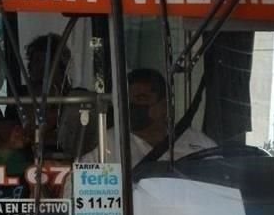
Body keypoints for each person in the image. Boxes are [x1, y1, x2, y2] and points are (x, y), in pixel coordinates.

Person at [85, 67, 216, 164]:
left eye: (141, 98)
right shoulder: (105, 145)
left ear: (165, 105)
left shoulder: (198, 143)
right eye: (127, 100)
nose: (132, 106)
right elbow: (76, 187)